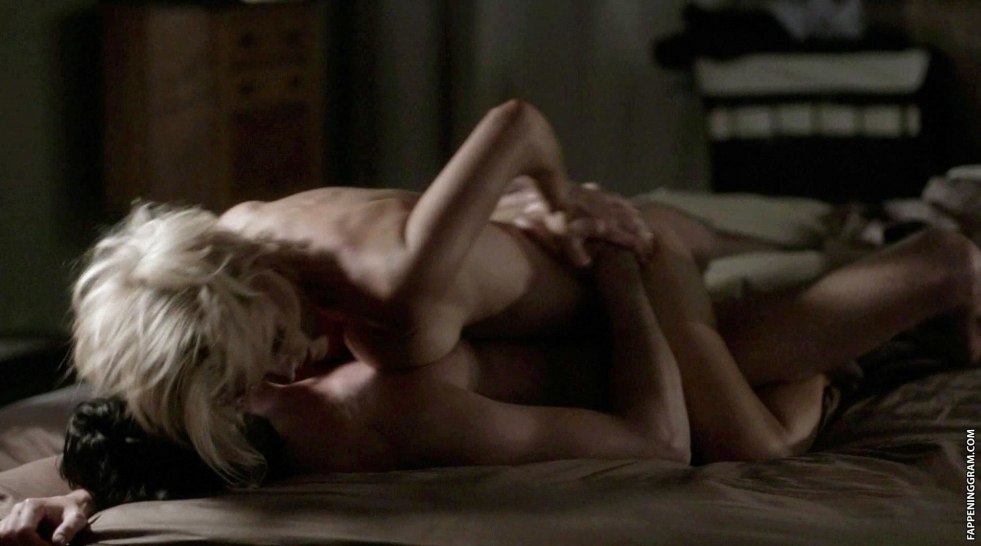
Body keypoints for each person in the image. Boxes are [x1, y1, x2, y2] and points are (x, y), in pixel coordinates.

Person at [5, 99, 981, 544]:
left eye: (265, 356)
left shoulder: (391, 297)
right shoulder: (239, 242)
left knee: (753, 433)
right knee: (764, 313)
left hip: (621, 275)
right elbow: (134, 426)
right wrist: (68, 491)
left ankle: (940, 265)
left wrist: (562, 204)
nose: (283, 375)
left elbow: (515, 122)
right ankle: (882, 275)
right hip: (565, 294)